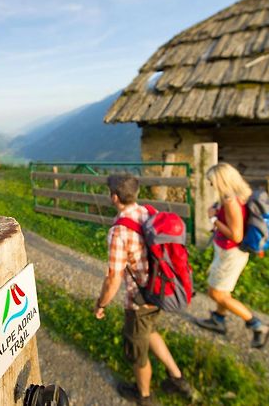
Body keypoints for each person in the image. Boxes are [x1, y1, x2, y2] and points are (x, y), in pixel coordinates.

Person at [94, 174, 192, 406]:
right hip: (160, 291)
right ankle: (177, 378)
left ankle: (143, 395)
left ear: (115, 197)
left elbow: (113, 279)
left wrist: (101, 304)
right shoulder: (148, 212)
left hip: (139, 301)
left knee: (138, 353)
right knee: (150, 332)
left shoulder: (119, 232)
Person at [195, 162, 269, 348]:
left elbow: (236, 235)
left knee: (215, 293)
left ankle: (257, 325)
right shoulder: (236, 195)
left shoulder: (231, 202)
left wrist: (213, 218)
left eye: (212, 181)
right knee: (223, 290)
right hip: (227, 251)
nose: (211, 185)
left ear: (221, 181)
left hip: (231, 253)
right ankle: (218, 319)